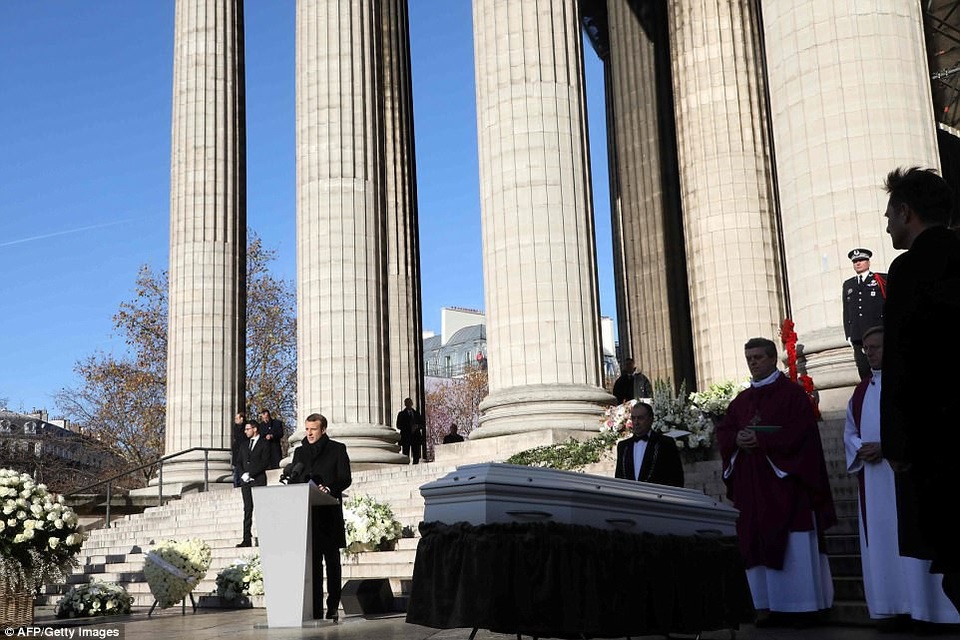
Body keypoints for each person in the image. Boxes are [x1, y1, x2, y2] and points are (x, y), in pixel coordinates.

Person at [880, 166, 960, 614]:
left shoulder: (910, 268)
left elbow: (902, 359)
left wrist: (897, 442)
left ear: (907, 212)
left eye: (890, 214)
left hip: (937, 442)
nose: (887, 224)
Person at [843, 325, 959, 629]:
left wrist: (889, 447)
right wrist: (860, 448)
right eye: (867, 348)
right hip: (874, 481)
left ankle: (928, 610)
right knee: (883, 544)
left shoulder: (912, 384)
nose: (870, 352)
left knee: (914, 538)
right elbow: (849, 432)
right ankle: (893, 607)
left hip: (907, 477)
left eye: (877, 347)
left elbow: (926, 426)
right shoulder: (859, 392)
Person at [716, 337, 836, 627]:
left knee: (793, 544)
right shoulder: (741, 401)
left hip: (787, 488)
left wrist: (763, 440)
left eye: (758, 357)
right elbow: (726, 431)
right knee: (756, 541)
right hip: (754, 488)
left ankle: (803, 607)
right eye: (749, 358)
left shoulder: (792, 395)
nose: (753, 362)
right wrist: (737, 439)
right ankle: (767, 606)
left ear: (772, 358)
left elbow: (802, 434)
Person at [290, 413, 352, 621]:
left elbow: (345, 477)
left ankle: (333, 606)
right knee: (313, 565)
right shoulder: (299, 452)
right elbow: (294, 477)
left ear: (322, 429)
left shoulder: (337, 449)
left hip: (329, 512)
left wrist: (330, 488)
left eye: (313, 429)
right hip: (308, 515)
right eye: (307, 429)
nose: (309, 433)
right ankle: (315, 608)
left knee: (332, 562)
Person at [613, 401, 683, 487]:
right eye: (633, 418)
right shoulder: (623, 446)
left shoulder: (665, 443)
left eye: (640, 418)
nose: (636, 422)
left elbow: (676, 478)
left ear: (651, 419)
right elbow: (619, 478)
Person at [842, 248, 887, 379]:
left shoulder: (880, 279)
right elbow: (847, 311)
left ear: (868, 262)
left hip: (876, 332)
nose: (858, 263)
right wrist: (848, 334)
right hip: (858, 336)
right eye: (855, 261)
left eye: (861, 260)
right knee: (864, 372)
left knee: (882, 369)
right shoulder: (848, 284)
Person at [237, 420, 270, 547]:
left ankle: (264, 537)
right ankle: (246, 538)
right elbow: (239, 461)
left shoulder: (264, 443)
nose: (246, 431)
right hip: (245, 481)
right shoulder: (244, 445)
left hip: (258, 479)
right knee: (247, 509)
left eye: (247, 429)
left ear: (255, 429)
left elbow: (265, 461)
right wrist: (243, 474)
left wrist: (251, 473)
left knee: (261, 509)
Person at [396, 397, 425, 464]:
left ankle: (416, 466)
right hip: (406, 437)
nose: (409, 404)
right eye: (407, 403)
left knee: (416, 454)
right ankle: (406, 465)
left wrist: (417, 426)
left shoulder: (416, 413)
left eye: (410, 402)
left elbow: (422, 424)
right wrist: (409, 427)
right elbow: (398, 425)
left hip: (416, 437)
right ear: (405, 404)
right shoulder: (401, 414)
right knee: (405, 454)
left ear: (412, 403)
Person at [229, 410, 246, 487]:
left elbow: (242, 439)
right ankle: (236, 485)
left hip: (243, 452)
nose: (235, 420)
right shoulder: (236, 428)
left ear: (241, 419)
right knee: (236, 473)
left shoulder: (245, 428)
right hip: (236, 452)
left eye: (237, 418)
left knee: (241, 472)